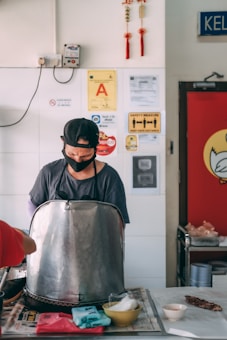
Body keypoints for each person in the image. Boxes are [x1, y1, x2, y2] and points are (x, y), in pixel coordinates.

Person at [28, 118, 130, 224]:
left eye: (85, 156)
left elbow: (117, 219)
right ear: (63, 143)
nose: (77, 159)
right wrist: (41, 229)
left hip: (96, 240)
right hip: (55, 239)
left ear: (96, 148)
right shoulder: (49, 172)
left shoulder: (109, 177)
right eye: (72, 154)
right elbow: (33, 205)